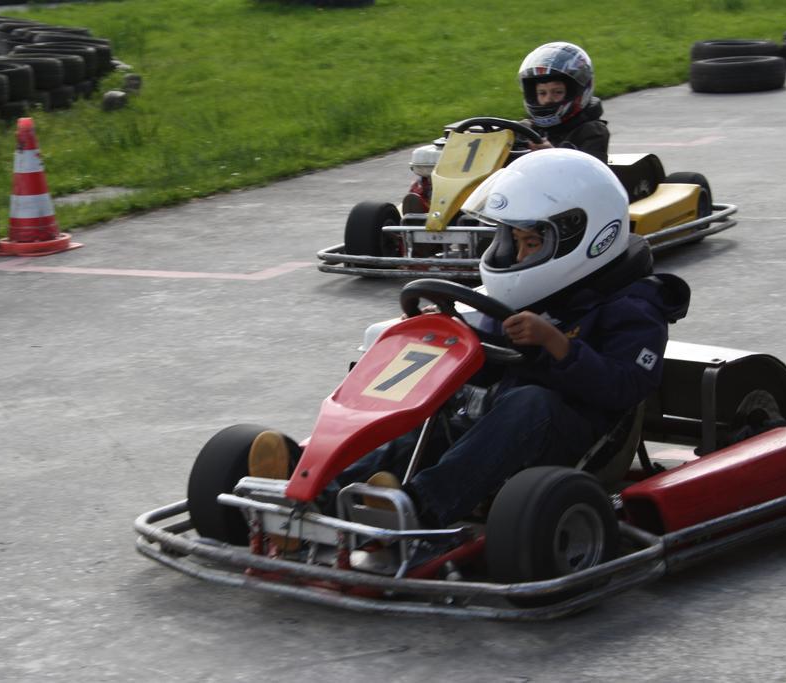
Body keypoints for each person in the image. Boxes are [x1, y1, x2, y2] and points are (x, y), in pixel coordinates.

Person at [249, 149, 689, 529]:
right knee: (433, 411)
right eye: (513, 240)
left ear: (586, 239)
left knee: (530, 402)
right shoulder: (518, 295)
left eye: (531, 242)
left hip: (576, 441)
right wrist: (446, 330)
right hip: (494, 421)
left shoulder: (635, 305)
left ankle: (418, 508)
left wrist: (559, 345)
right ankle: (319, 495)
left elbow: (627, 386)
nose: (517, 256)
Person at [516, 42, 610, 164]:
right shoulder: (525, 130)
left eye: (557, 92)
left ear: (576, 92)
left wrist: (553, 154)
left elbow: (589, 176)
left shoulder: (591, 132)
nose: (548, 99)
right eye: (542, 93)